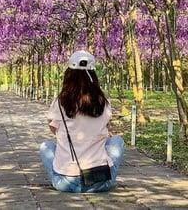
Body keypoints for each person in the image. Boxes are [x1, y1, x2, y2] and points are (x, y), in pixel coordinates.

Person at [39, 50, 125, 193]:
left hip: (65, 183)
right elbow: (106, 128)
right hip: (100, 181)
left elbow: (54, 130)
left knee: (46, 146)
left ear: (69, 75)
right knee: (117, 141)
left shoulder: (59, 103)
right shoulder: (104, 103)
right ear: (93, 75)